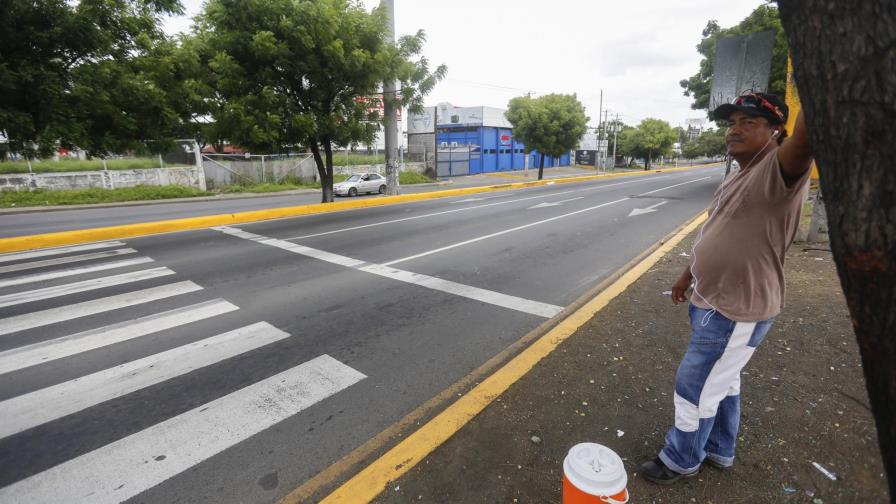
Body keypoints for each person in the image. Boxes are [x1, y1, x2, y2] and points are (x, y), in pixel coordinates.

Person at [641, 92, 815, 484]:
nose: (734, 130)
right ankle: (719, 449)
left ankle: (680, 459)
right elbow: (718, 231)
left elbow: (805, 139)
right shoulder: (738, 175)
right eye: (731, 123)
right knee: (723, 381)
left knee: (695, 386)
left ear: (776, 132)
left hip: (737, 310)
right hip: (711, 300)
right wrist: (688, 275)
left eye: (749, 123)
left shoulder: (779, 169)